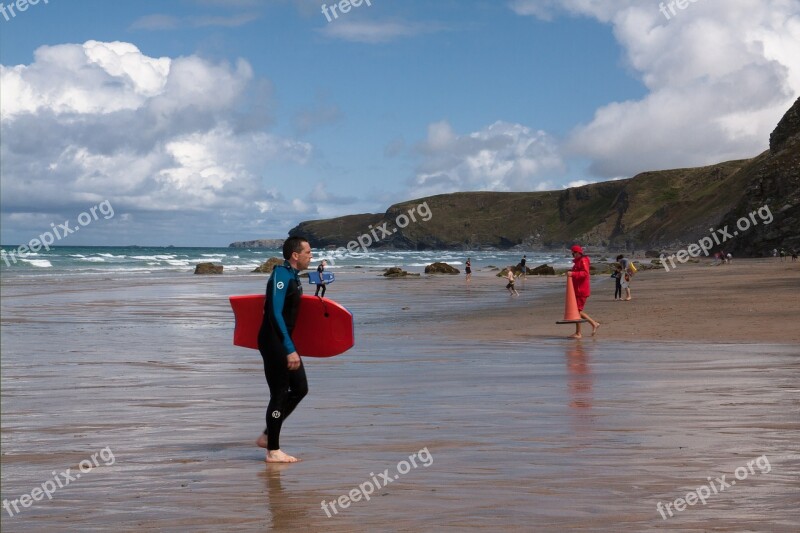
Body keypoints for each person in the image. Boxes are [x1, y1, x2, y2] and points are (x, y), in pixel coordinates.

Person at [256, 236, 313, 463]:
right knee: (279, 393)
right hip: (274, 341)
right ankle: (273, 450)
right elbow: (274, 313)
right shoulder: (280, 275)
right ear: (295, 255)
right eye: (308, 252)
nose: (311, 255)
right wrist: (289, 349)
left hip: (283, 340)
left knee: (300, 388)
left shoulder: (293, 276)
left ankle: (268, 435)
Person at [571, 245, 600, 338]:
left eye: (574, 253)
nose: (573, 255)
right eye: (572, 253)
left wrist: (572, 273)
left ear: (579, 252)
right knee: (577, 311)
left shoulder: (583, 260)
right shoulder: (578, 261)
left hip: (581, 290)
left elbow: (585, 273)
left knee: (576, 311)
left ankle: (581, 331)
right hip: (578, 290)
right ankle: (591, 325)